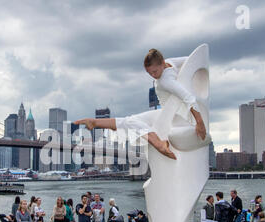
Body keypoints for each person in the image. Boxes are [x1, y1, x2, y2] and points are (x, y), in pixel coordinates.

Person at [74, 48, 207, 159]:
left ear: (162, 63)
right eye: (149, 73)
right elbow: (192, 60)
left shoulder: (166, 81)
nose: (153, 76)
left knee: (131, 122)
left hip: (173, 117)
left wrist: (200, 124)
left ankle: (158, 143)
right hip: (168, 113)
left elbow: (189, 98)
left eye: (154, 71)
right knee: (129, 122)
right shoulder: (170, 63)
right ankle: (95, 122)